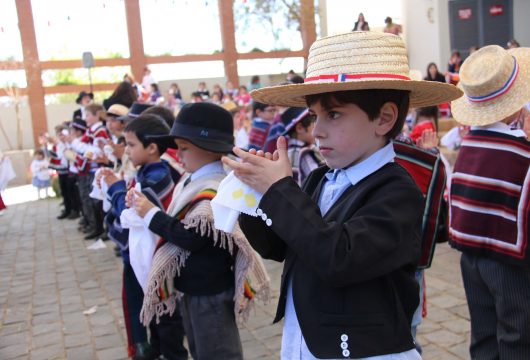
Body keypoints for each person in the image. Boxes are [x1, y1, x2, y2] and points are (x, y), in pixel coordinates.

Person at [224, 31, 462, 359]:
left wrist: (280, 191)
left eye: (333, 115)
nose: (318, 129)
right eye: (314, 116)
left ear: (384, 118)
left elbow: (339, 257)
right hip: (307, 343)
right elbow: (280, 246)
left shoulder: (398, 191)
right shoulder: (321, 178)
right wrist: (254, 194)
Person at [126, 102, 270, 360]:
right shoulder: (192, 179)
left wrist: (150, 214)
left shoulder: (216, 187)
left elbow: (192, 238)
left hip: (210, 290)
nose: (177, 155)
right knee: (200, 349)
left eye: (183, 148)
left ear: (207, 149)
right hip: (193, 287)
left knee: (217, 352)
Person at [448, 44, 530, 359]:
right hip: (510, 262)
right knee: (518, 333)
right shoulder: (522, 152)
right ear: (513, 106)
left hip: (470, 256)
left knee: (483, 331)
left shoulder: (469, 144)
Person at [99, 114, 187, 360]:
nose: (126, 151)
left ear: (151, 147)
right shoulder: (146, 172)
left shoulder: (159, 175)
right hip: (148, 260)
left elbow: (131, 211)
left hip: (159, 260)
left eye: (131, 145)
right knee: (155, 319)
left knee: (167, 320)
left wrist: (116, 188)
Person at [282, 108, 323, 185]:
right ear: (300, 128)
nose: (318, 130)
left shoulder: (288, 152)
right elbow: (318, 181)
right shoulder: (304, 153)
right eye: (314, 124)